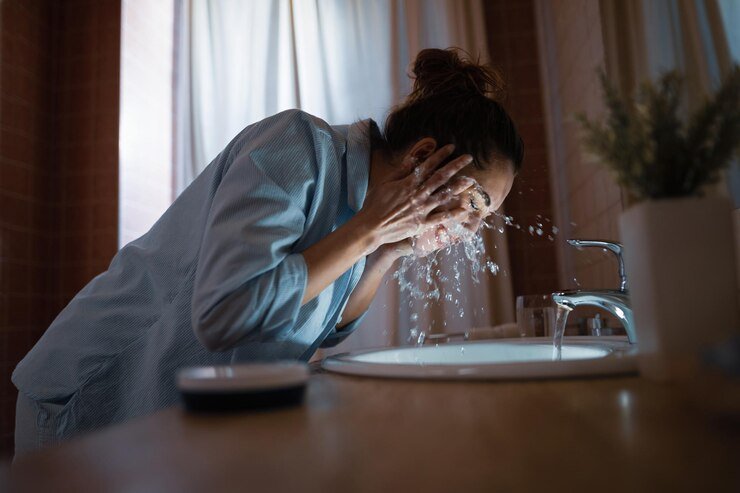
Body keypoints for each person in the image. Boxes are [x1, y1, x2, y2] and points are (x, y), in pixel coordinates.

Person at [12, 48, 523, 455]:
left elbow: (331, 327)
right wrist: (370, 231)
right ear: (422, 156)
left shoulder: (364, 209)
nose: (473, 226)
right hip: (95, 398)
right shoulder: (296, 146)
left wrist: (389, 249)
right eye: (476, 200)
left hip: (176, 415)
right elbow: (225, 313)